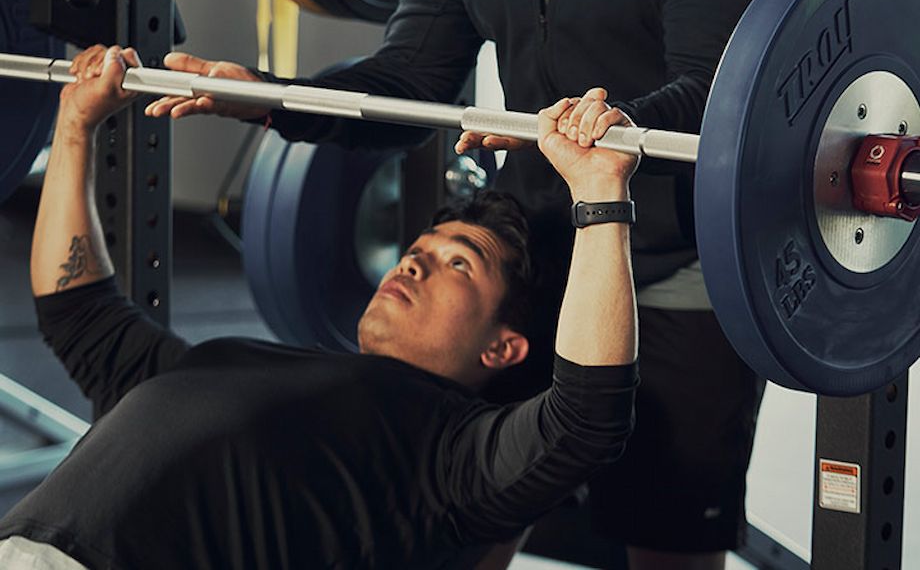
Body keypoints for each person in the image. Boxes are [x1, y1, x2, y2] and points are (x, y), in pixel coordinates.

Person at [145, 0, 789, 566]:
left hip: (678, 271)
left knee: (665, 541)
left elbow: (715, 94)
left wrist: (588, 129)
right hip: (530, 259)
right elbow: (412, 76)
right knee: (464, 512)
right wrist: (259, 99)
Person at [0, 45, 639, 570]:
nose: (411, 262)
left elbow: (582, 422)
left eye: (458, 263)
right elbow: (78, 311)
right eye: (419, 247)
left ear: (502, 346)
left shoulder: (451, 453)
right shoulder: (231, 364)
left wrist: (599, 190)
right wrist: (75, 124)